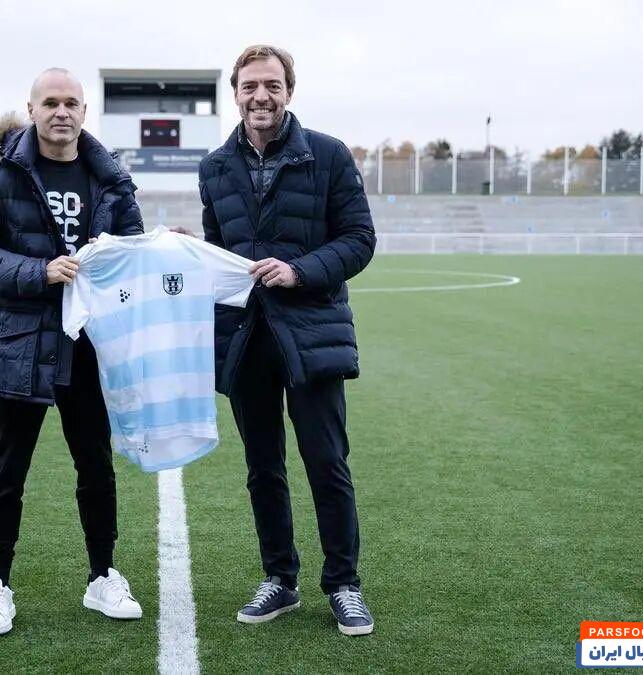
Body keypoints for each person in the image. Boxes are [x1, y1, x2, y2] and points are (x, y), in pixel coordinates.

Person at [0, 68, 144, 636]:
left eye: (72, 103)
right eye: (51, 102)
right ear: (32, 109)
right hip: (18, 345)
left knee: (96, 466)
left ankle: (102, 576)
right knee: (8, 469)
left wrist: (163, 249)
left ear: (84, 112)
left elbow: (131, 254)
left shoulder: (111, 180)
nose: (62, 112)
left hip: (89, 347)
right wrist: (39, 272)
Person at [197, 45, 378, 636]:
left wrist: (299, 271)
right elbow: (219, 251)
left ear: (289, 92)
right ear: (236, 94)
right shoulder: (214, 167)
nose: (261, 96)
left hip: (312, 334)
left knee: (326, 463)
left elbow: (359, 239)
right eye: (250, 86)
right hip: (247, 338)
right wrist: (189, 250)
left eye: (272, 85)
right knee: (263, 468)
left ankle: (344, 584)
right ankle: (280, 578)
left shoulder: (328, 155)